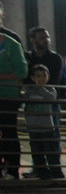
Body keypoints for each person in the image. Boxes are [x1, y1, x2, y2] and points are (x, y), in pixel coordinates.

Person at [22, 65, 64, 179]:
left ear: (48, 77)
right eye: (38, 76)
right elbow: (23, 101)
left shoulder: (51, 89)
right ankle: (43, 175)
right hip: (33, 128)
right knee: (37, 155)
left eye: (43, 76)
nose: (41, 78)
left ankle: (57, 175)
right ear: (32, 78)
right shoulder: (29, 91)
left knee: (51, 155)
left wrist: (41, 88)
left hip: (46, 128)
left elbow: (51, 99)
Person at [0, 17, 28, 179]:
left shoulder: (12, 44)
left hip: (7, 96)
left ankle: (12, 169)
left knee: (9, 131)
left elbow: (21, 71)